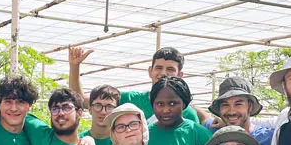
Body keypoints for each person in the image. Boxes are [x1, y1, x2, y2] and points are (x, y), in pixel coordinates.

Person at [68, 46, 207, 124]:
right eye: (158, 68)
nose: (163, 73)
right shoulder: (130, 100)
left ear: (180, 75)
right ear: (150, 71)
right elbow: (82, 100)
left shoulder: (187, 113)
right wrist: (75, 67)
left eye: (170, 69)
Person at [146, 76, 211, 145]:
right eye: (160, 104)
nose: (166, 110)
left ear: (184, 104)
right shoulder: (144, 135)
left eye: (172, 103)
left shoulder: (199, 134)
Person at [69, 47, 115, 145]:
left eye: (109, 107)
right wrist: (74, 66)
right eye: (98, 105)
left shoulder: (123, 144)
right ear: (90, 109)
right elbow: (77, 96)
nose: (103, 111)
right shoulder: (78, 141)